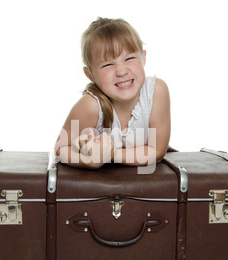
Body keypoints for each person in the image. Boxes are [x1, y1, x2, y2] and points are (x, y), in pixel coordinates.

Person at [55, 17, 171, 170]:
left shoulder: (156, 91)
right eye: (108, 64)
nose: (122, 71)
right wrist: (87, 160)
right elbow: (60, 149)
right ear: (89, 74)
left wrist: (109, 155)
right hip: (105, 187)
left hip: (146, 179)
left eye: (129, 58)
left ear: (144, 57)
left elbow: (156, 151)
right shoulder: (90, 106)